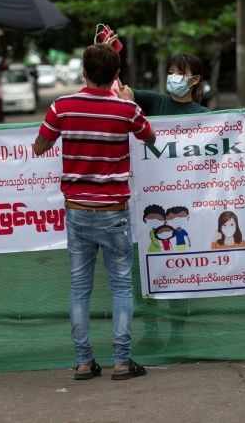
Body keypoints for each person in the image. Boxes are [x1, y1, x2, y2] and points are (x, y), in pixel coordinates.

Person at [33, 43, 156, 381]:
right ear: (116, 75)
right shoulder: (126, 110)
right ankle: (120, 361)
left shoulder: (62, 107)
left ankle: (84, 362)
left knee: (79, 288)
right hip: (113, 212)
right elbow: (150, 137)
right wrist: (129, 102)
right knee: (120, 287)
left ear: (84, 73)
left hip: (77, 211)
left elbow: (40, 145)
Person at [116, 53, 209, 115]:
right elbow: (122, 92)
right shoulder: (154, 101)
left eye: (181, 73)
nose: (174, 77)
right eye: (170, 73)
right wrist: (109, 59)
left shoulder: (203, 114)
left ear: (195, 79)